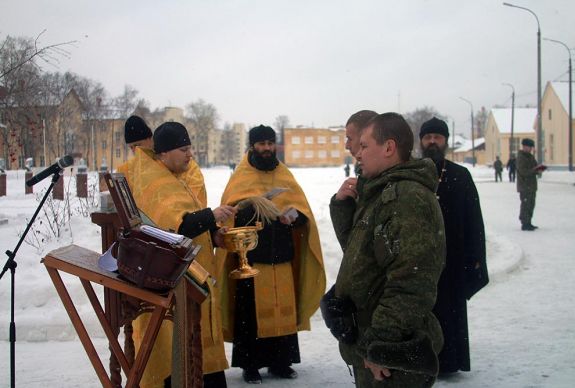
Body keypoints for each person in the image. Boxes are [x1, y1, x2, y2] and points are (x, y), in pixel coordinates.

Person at [324, 112, 446, 387]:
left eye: (364, 146)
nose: (357, 153)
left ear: (389, 148)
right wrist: (343, 208)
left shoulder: (407, 199)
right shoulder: (382, 191)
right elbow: (362, 255)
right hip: (371, 339)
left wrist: (381, 346)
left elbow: (411, 282)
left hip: (391, 358)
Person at [125, 121, 236, 387]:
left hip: (190, 280)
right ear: (163, 153)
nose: (190, 154)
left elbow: (183, 226)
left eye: (190, 148)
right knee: (178, 355)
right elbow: (176, 225)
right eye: (183, 149)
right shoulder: (156, 182)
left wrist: (213, 235)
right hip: (171, 284)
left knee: (195, 349)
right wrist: (212, 215)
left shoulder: (172, 177)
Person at [217, 125, 326, 384]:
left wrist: (295, 216)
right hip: (252, 257)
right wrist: (251, 206)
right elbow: (230, 212)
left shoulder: (284, 173)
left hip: (282, 254)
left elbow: (303, 211)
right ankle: (250, 365)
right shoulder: (241, 175)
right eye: (261, 144)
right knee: (250, 313)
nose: (266, 148)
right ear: (251, 146)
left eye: (270, 143)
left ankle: (282, 361)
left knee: (283, 309)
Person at [419, 117, 488, 375]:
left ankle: (450, 362)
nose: (432, 141)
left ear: (446, 140)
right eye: (428, 137)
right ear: (421, 141)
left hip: (454, 258)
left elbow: (474, 220)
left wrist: (476, 257)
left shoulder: (460, 175)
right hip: (421, 259)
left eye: (437, 137)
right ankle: (422, 360)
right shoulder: (412, 172)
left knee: (451, 309)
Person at [117, 115, 207, 206]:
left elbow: (193, 206)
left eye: (138, 145)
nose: (135, 150)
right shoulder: (126, 169)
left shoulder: (187, 166)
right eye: (131, 147)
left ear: (150, 139)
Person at [516, 138, 545, 231]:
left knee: (531, 204)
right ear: (524, 146)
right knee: (526, 204)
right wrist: (534, 170)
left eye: (531, 147)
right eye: (529, 147)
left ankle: (529, 222)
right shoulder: (521, 157)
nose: (531, 149)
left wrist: (539, 169)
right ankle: (525, 223)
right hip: (524, 186)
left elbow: (534, 167)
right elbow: (523, 171)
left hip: (531, 185)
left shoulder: (530, 156)